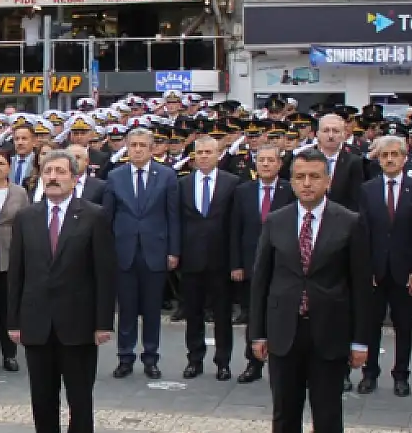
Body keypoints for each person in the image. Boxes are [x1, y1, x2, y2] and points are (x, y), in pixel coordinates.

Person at [248, 147, 373, 433]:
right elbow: (261, 280)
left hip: (329, 333)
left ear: (327, 180)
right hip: (284, 331)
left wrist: (361, 340)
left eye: (314, 176)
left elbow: (361, 286)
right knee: (285, 412)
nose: (306, 183)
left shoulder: (348, 222)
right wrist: (257, 333)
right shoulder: (277, 220)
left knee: (327, 413)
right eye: (300, 177)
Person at [6, 150, 114, 433]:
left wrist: (102, 322)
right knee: (42, 397)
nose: (52, 176)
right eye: (48, 171)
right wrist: (13, 320)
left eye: (60, 172)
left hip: (78, 324)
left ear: (74, 177)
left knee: (79, 398)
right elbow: (17, 274)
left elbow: (104, 274)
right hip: (36, 322)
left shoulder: (94, 216)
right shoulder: (27, 217)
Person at [100, 129, 178, 381]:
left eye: (143, 145)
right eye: (133, 145)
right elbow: (107, 218)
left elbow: (173, 217)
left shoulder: (166, 175)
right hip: (124, 251)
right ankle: (125, 356)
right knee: (127, 308)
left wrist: (174, 250)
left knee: (152, 309)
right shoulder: (115, 176)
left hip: (155, 250)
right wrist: (107, 251)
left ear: (152, 148)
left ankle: (151, 357)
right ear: (126, 146)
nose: (137, 149)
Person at [356, 135, 412, 397]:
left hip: (405, 271)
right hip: (375, 272)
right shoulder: (367, 189)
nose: (389, 160)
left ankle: (401, 375)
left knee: (403, 327)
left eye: (394, 155)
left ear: (404, 157)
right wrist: (366, 270)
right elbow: (362, 234)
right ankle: (369, 373)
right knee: (370, 326)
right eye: (385, 155)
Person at [228, 145, 292, 383]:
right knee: (254, 314)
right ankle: (253, 364)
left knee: (282, 314)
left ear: (279, 164)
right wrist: (236, 264)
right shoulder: (243, 191)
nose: (265, 164)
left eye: (270, 160)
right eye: (261, 160)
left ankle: (281, 364)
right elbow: (235, 230)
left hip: (282, 263)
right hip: (251, 263)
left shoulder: (289, 190)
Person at [177, 136, 239, 380]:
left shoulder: (232, 183)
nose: (203, 156)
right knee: (193, 313)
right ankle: (194, 359)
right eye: (199, 152)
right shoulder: (182, 184)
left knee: (222, 314)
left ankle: (223, 362)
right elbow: (178, 221)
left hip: (220, 259)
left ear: (218, 154)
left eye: (208, 152)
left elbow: (235, 225)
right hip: (191, 259)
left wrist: (236, 262)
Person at [0, 149, 28, 376]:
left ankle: (10, 354)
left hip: (10, 257)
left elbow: (26, 225)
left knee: (9, 308)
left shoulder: (19, 192)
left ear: (9, 167)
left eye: (1, 163)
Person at [315, 114, 366, 211]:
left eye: (335, 131)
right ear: (317, 134)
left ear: (343, 135)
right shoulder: (307, 159)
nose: (330, 136)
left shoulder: (353, 162)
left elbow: (356, 199)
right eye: (326, 131)